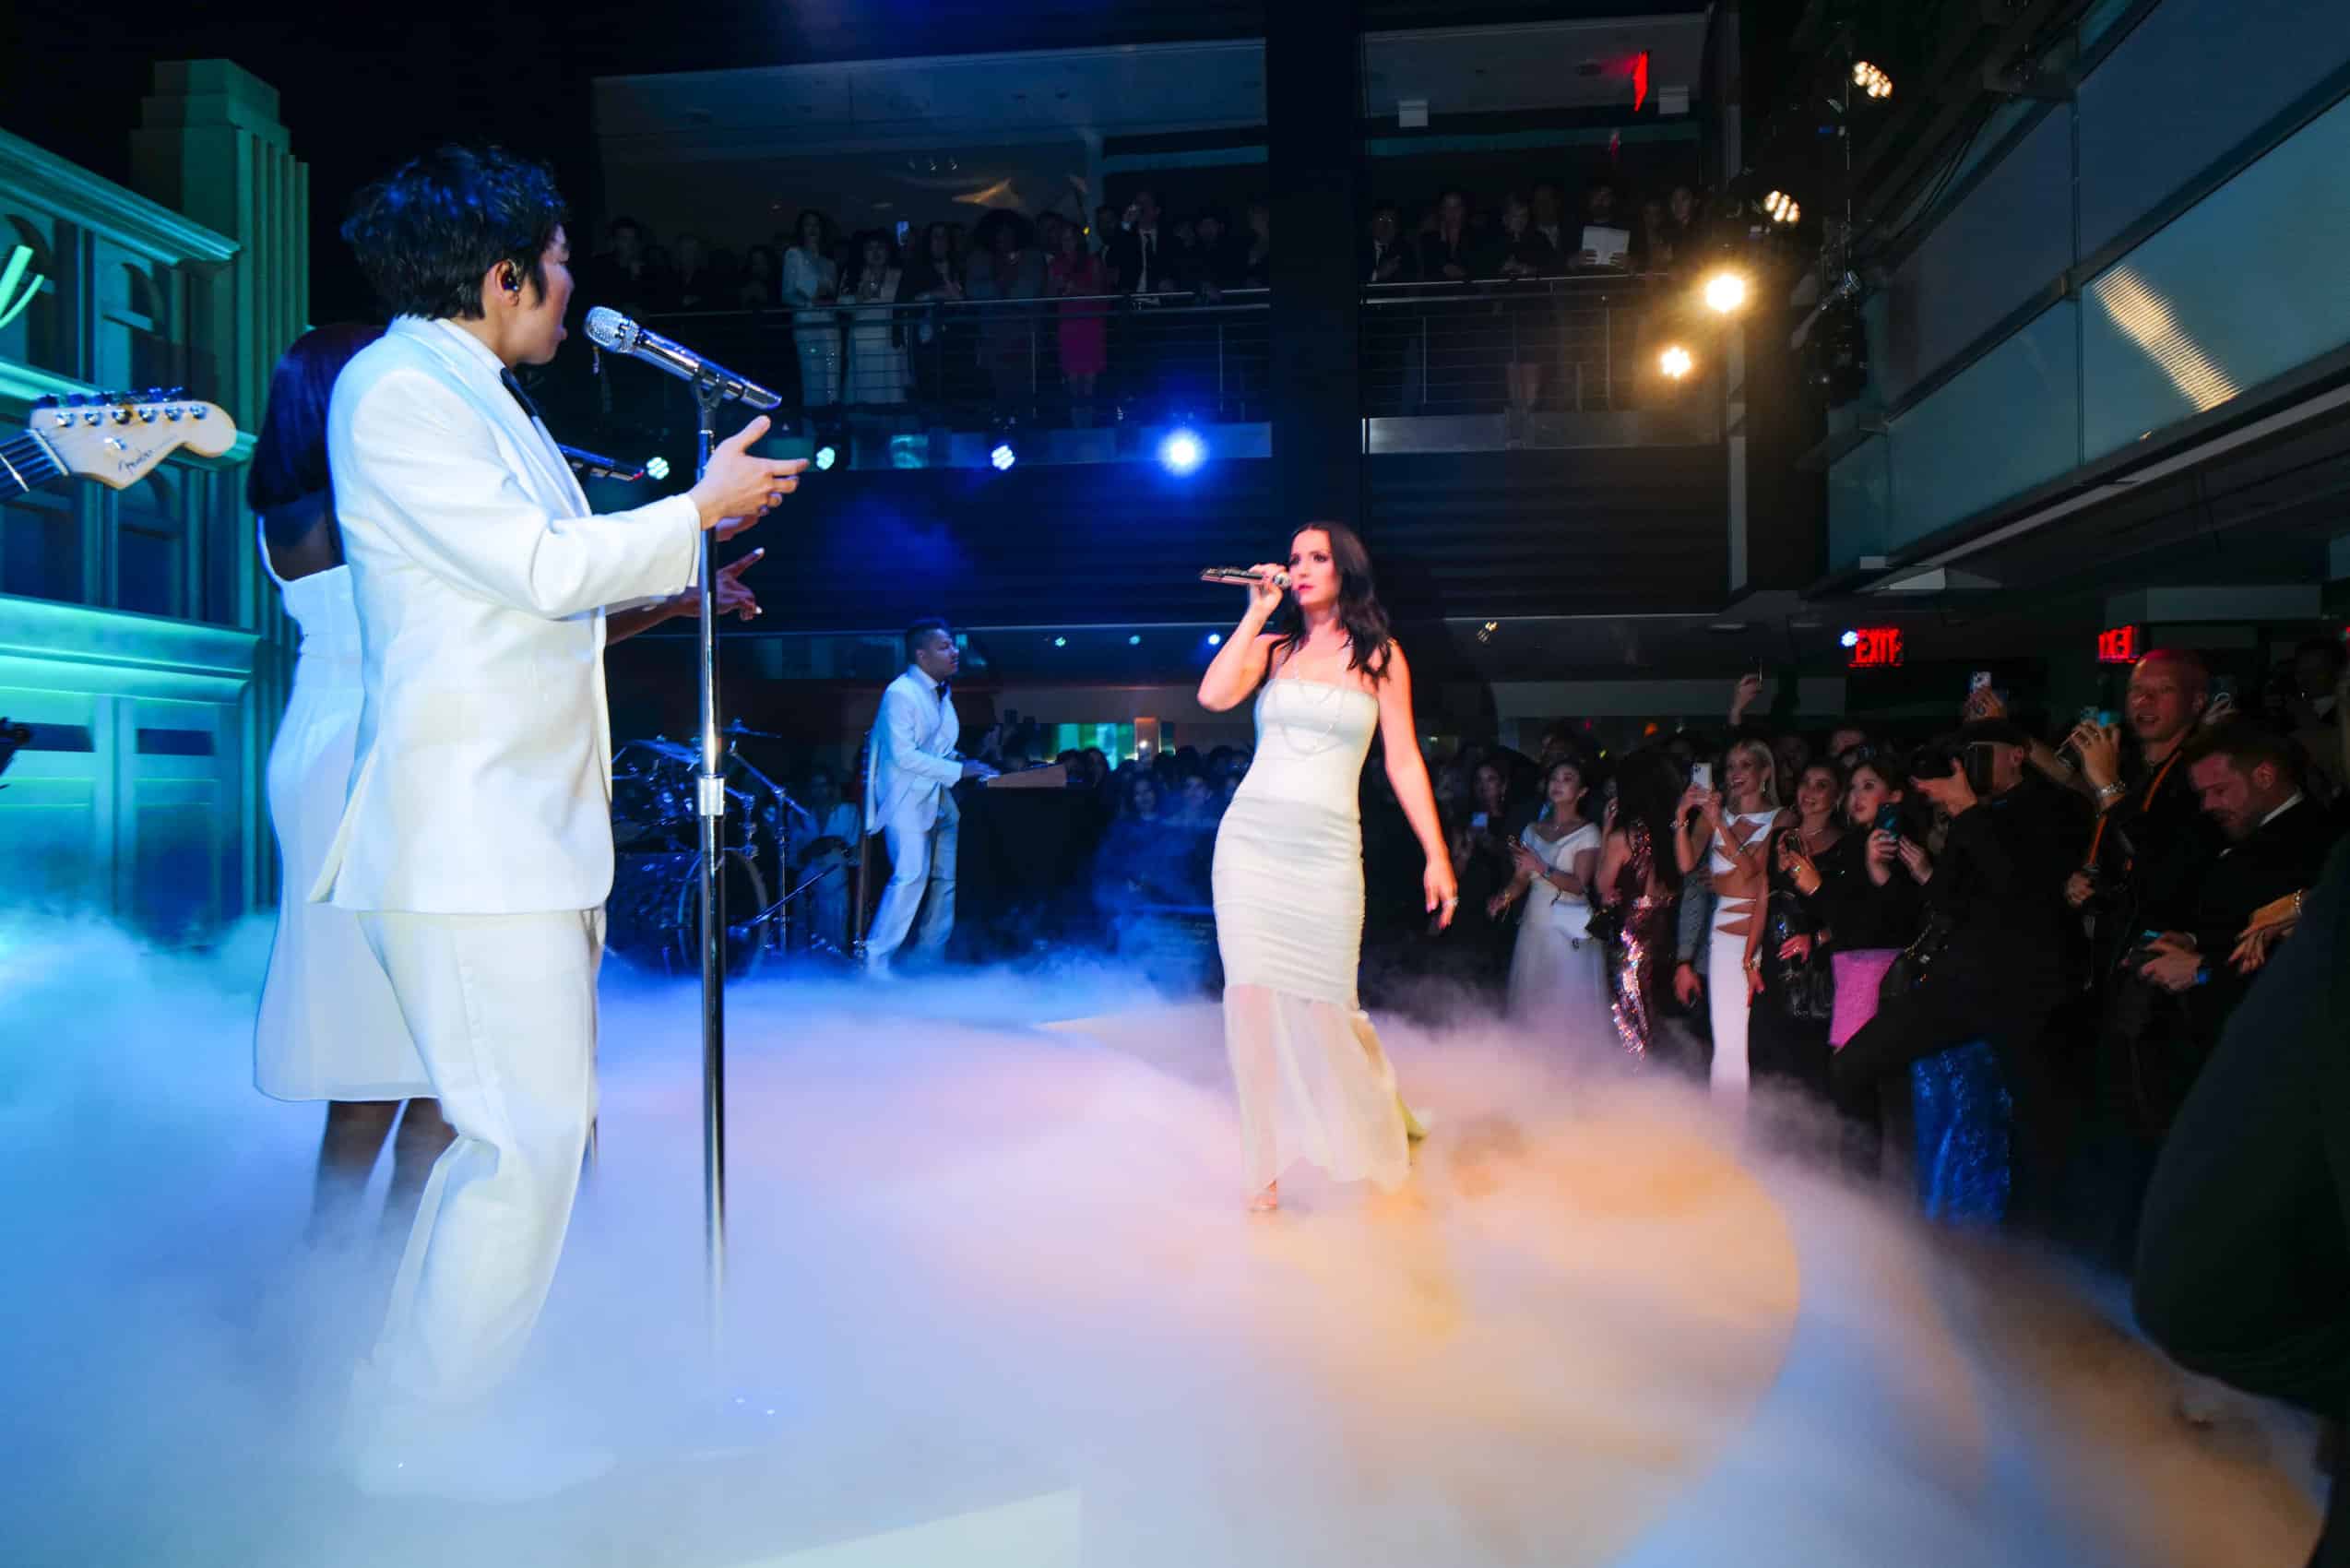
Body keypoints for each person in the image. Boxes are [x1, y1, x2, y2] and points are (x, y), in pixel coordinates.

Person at [322, 146, 802, 1499]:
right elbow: (536, 572)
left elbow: (525, 608)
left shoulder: (474, 393)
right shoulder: (402, 391)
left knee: (518, 1148)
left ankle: (414, 1416)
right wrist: (692, 510)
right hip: (468, 837)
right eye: (561, 259)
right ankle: (424, 1438)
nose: (573, 285)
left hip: (516, 833)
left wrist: (681, 564)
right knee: (522, 1151)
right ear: (502, 272)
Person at [249, 325, 452, 1253]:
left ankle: (343, 1281)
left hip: (325, 740)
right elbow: (479, 632)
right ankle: (365, 1285)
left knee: (387, 1049)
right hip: (371, 748)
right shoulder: (365, 501)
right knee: (417, 1050)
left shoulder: (289, 505)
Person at [1196, 523, 1456, 1213]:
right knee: (1249, 1003)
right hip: (1251, 844)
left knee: (1332, 1011)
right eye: (1294, 559)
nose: (1301, 569)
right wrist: (1254, 609)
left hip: (1327, 850)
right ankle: (1264, 1176)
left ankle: (1383, 1123)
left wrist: (1436, 853)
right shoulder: (1273, 646)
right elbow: (1212, 697)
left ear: (1345, 570)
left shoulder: (1381, 656)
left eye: (1317, 558)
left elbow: (1403, 759)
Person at [1830, 720, 2077, 1229]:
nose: (1972, 764)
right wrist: (1928, 863)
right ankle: (1856, 1206)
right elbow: (1948, 899)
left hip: (2024, 989)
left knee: (2038, 1124)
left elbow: (2017, 889)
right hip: (1960, 981)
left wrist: (1967, 810)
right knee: (1851, 1066)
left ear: (2019, 754)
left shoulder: (2053, 807)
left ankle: (2043, 1249)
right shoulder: (1969, 815)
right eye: (1967, 754)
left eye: (1984, 753)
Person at [865, 619, 995, 973]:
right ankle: (875, 958)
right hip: (904, 797)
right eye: (945, 647)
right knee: (910, 875)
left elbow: (938, 748)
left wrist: (965, 762)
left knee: (942, 879)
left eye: (953, 645)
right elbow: (903, 755)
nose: (954, 652)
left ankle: (928, 955)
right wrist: (958, 771)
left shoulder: (940, 691)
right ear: (921, 655)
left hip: (934, 795)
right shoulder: (900, 692)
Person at [1677, 738, 1782, 1099]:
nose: (1735, 774)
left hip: (1766, 937)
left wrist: (1719, 824)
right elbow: (1686, 864)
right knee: (1728, 1044)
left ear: (1765, 771)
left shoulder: (1781, 818)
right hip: (1723, 941)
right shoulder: (1714, 815)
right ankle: (1728, 1133)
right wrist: (1681, 816)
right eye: (1730, 767)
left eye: (1745, 765)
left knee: (1760, 1043)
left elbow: (1754, 878)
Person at [1492, 756, 1605, 1027]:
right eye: (1555, 778)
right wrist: (1503, 898)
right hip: (1535, 921)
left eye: (1568, 779)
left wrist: (1541, 867)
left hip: (1567, 925)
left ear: (1582, 792)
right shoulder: (1532, 830)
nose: (1558, 784)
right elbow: (1521, 879)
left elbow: (1580, 884)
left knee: (1565, 998)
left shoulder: (1588, 832)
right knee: (1533, 993)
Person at [1599, 747, 1686, 1060]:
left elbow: (1602, 884)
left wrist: (1607, 828)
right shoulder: (1672, 830)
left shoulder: (1623, 836)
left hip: (1629, 937)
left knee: (1628, 1016)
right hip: (1663, 934)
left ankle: (1636, 1084)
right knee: (1652, 1009)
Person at [783, 208, 841, 410]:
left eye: (816, 225)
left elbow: (834, 295)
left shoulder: (829, 263)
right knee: (812, 375)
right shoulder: (794, 255)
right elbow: (787, 293)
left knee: (832, 375)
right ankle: (813, 427)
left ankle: (832, 420)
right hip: (807, 323)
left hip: (829, 324)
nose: (812, 229)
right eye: (808, 224)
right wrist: (811, 304)